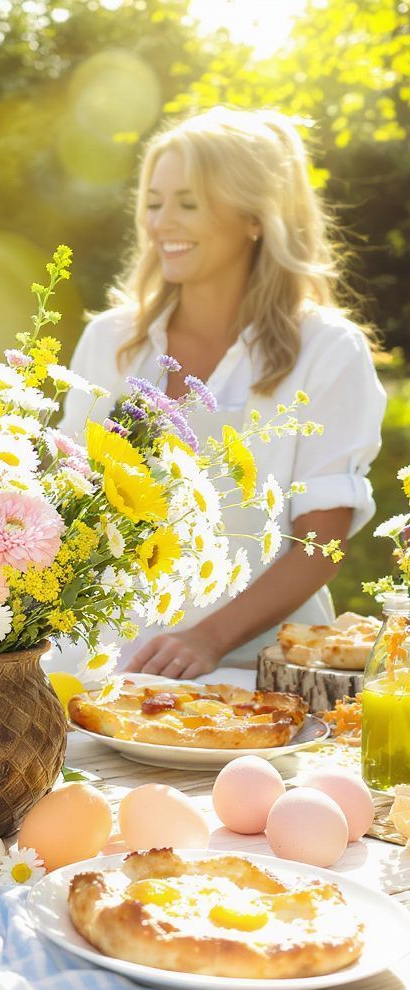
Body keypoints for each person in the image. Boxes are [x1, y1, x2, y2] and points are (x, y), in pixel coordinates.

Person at [57, 106, 386, 679]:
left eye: (188, 203)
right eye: (155, 203)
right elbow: (66, 502)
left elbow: (319, 540)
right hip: (104, 664)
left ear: (255, 216)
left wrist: (206, 640)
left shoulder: (328, 350)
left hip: (255, 668)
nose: (162, 223)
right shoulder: (110, 341)